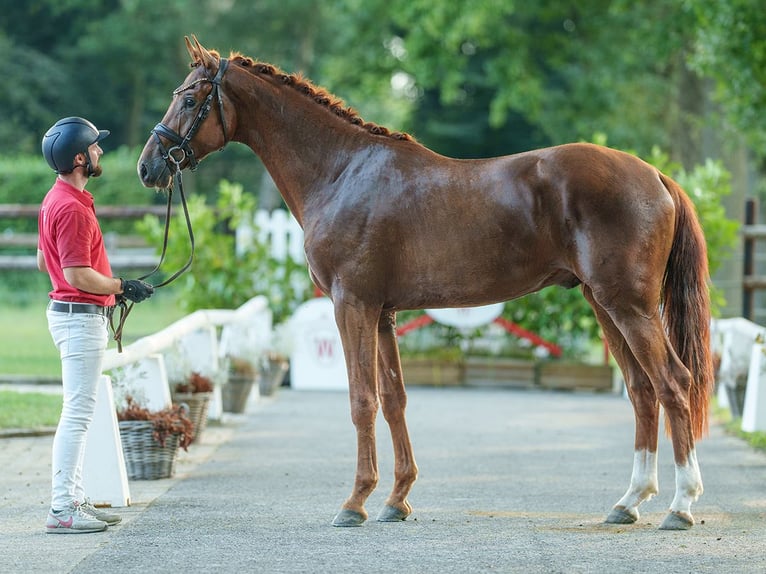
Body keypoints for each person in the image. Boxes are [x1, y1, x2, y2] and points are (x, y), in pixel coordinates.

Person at [38, 116, 154, 534]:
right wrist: (121, 286)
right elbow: (76, 275)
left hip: (71, 316)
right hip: (80, 320)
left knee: (78, 412)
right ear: (79, 158)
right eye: (95, 147)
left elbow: (43, 261)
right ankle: (62, 508)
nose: (100, 151)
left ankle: (73, 499)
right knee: (78, 414)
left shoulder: (56, 198)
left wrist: (112, 288)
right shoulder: (71, 208)